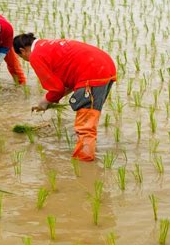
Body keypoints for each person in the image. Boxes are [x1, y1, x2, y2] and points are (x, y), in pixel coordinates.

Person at [13, 33, 117, 161]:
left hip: (92, 72)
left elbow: (57, 89)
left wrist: (45, 101)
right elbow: (67, 85)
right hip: (106, 66)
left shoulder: (35, 55)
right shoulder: (47, 46)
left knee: (85, 125)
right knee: (91, 115)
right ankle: (87, 159)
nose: (26, 60)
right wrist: (49, 100)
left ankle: (84, 163)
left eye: (21, 57)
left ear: (23, 51)